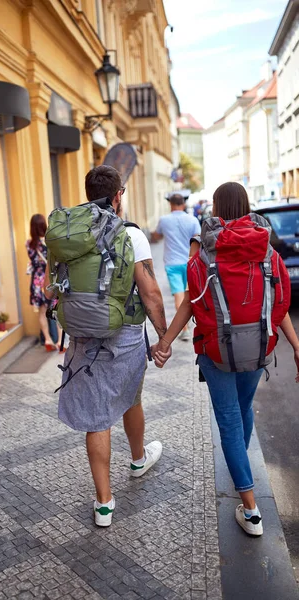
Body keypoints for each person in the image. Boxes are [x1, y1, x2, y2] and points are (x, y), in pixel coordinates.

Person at [153, 182, 299, 537]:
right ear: (247, 206)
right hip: (258, 350)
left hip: (216, 353)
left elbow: (191, 302)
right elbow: (279, 305)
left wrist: (166, 342)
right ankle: (241, 469)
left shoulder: (205, 255)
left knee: (230, 423)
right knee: (243, 407)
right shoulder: (267, 251)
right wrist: (295, 346)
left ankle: (250, 510)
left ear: (216, 209)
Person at [45, 165, 171, 527]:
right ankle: (137, 459)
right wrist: (163, 338)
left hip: (82, 336)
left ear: (89, 194)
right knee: (131, 395)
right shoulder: (131, 235)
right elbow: (150, 294)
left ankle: (104, 504)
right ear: (118, 196)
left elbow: (53, 287)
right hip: (125, 333)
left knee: (97, 417)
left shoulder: (71, 233)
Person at [152, 194, 201, 341]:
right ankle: (195, 324)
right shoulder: (192, 220)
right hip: (190, 261)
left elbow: (156, 236)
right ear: (183, 205)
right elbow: (198, 239)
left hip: (172, 263)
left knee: (179, 295)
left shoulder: (164, 220)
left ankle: (184, 329)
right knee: (193, 293)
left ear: (171, 205)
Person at [27, 214, 62, 352]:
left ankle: (47, 339)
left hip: (37, 282)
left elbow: (33, 262)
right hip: (50, 279)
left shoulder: (29, 244)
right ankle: (60, 341)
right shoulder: (51, 242)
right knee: (56, 311)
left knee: (42, 312)